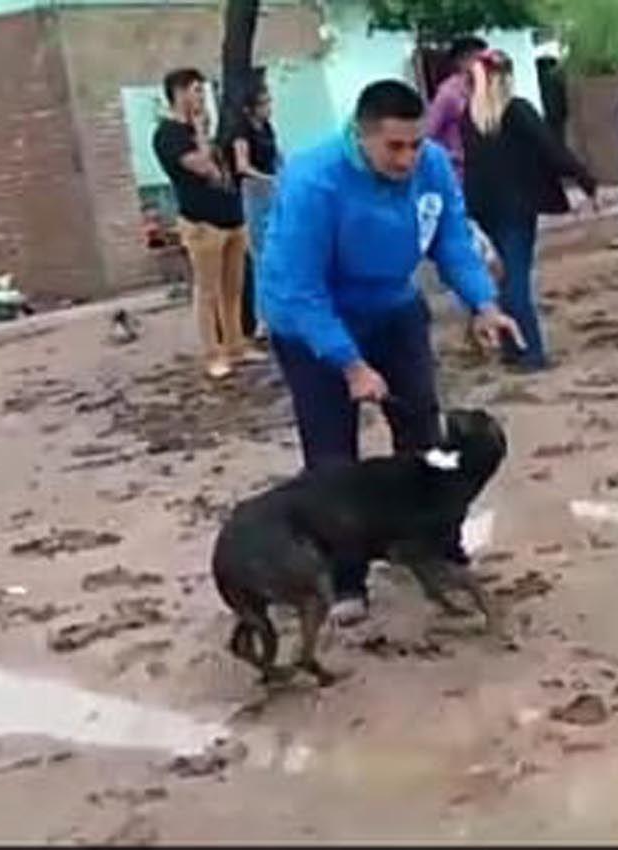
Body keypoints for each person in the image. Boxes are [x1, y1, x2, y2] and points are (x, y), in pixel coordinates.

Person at [260, 79, 523, 627]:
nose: (408, 159)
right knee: (334, 458)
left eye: (415, 144)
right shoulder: (313, 182)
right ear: (362, 137)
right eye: (394, 147)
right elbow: (298, 288)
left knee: (424, 432)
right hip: (310, 321)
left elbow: (451, 239)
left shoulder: (431, 167)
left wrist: (483, 303)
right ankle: (347, 578)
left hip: (393, 306)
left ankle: (435, 548)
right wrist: (349, 363)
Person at [462, 48, 599, 372]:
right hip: (517, 206)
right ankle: (531, 351)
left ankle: (511, 346)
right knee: (517, 279)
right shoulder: (517, 110)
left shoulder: (471, 117)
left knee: (503, 277)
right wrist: (585, 181)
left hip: (483, 206)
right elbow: (551, 148)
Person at [152, 67, 256, 380]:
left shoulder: (203, 131)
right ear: (180, 93)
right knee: (208, 290)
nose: (201, 97)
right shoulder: (169, 134)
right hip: (202, 222)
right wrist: (198, 130)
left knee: (233, 288)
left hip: (231, 216)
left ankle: (235, 345)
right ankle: (213, 354)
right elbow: (204, 169)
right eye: (196, 90)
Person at [226, 73, 280, 342]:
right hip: (255, 193)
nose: (269, 107)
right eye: (264, 103)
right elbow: (242, 166)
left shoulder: (268, 128)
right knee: (261, 256)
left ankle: (278, 311)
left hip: (272, 191)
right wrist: (269, 178)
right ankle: (262, 318)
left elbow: (277, 156)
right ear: (251, 108)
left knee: (278, 253)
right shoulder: (242, 133)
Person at [425, 35, 490, 183]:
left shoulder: (487, 89)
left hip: (486, 170)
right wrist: (451, 156)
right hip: (459, 174)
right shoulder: (449, 93)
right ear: (461, 61)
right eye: (476, 59)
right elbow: (428, 133)